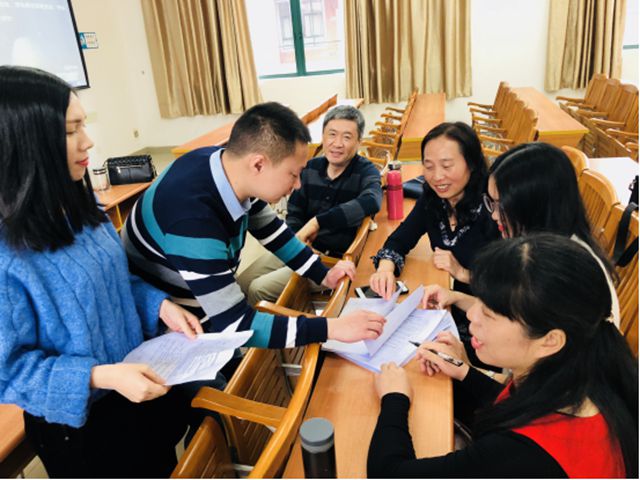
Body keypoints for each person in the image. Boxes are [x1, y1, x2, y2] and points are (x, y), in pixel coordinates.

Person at [0, 66, 203, 478]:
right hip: (82, 426)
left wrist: (159, 306)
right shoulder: (8, 254)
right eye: (71, 130)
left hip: (135, 389)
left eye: (84, 125)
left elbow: (116, 282)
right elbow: (10, 372)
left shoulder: (81, 208)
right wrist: (99, 376)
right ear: (27, 141)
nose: (88, 141)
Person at [368, 234, 638, 478]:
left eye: (488, 314)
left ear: (550, 340)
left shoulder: (523, 456)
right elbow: (519, 410)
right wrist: (464, 372)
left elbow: (388, 473)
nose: (471, 314)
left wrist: (394, 397)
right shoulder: (582, 375)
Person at [122, 102, 385, 349]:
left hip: (200, 298)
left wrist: (321, 273)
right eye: (293, 175)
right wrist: (331, 328)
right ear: (258, 164)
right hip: (170, 324)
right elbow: (237, 326)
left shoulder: (229, 166)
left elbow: (272, 231)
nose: (297, 185)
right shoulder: (193, 220)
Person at [422, 142, 620, 329]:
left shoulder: (563, 274)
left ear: (534, 207)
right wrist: (455, 297)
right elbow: (510, 315)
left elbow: (518, 336)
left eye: (501, 206)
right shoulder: (544, 249)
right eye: (491, 203)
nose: (494, 215)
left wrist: (463, 356)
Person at [237, 105, 382, 305]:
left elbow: (372, 200)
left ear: (359, 142)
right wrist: (299, 239)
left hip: (330, 260)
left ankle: (264, 324)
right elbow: (294, 211)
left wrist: (317, 222)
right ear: (322, 136)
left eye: (347, 137)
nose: (337, 143)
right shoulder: (310, 168)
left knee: (258, 289)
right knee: (241, 283)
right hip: (298, 244)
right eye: (332, 134)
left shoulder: (366, 171)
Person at [368, 122, 499, 339]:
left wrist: (463, 273)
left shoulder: (494, 208)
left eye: (447, 166)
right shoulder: (433, 199)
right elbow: (400, 240)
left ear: (472, 163)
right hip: (451, 305)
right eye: (428, 167)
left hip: (491, 319)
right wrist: (385, 269)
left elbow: (512, 286)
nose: (437, 177)